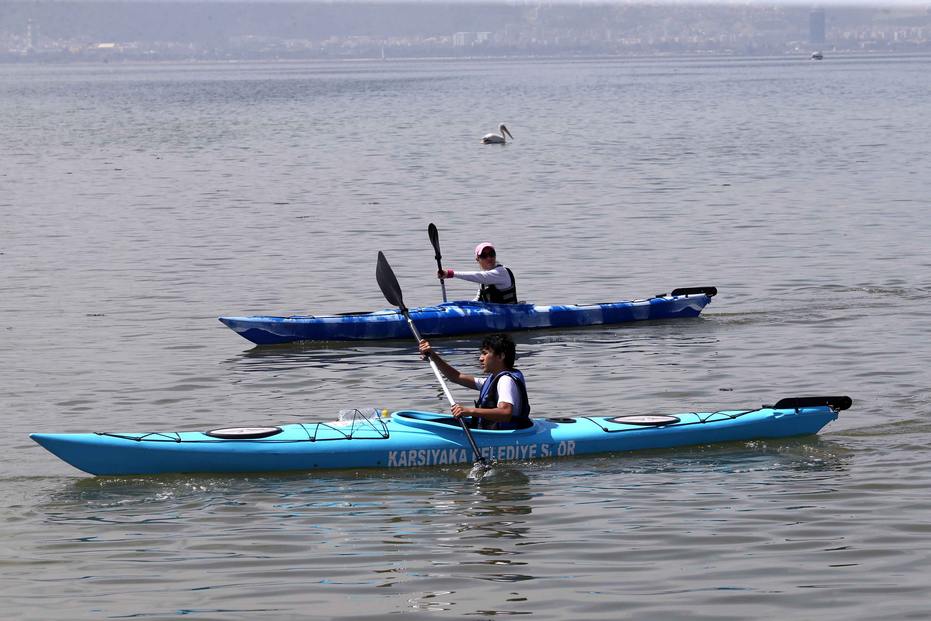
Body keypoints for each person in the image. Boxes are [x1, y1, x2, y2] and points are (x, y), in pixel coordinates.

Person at [418, 333, 531, 430]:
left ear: (501, 356)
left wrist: (469, 411)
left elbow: (505, 413)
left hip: (503, 436)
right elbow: (456, 377)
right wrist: (433, 356)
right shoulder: (493, 379)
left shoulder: (505, 381)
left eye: (485, 353)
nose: (480, 358)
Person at [437, 242, 518, 304]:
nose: (489, 258)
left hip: (511, 315)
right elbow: (477, 301)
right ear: (478, 259)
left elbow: (482, 276)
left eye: (491, 254)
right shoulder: (483, 280)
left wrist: (450, 273)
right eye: (484, 255)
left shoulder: (502, 272)